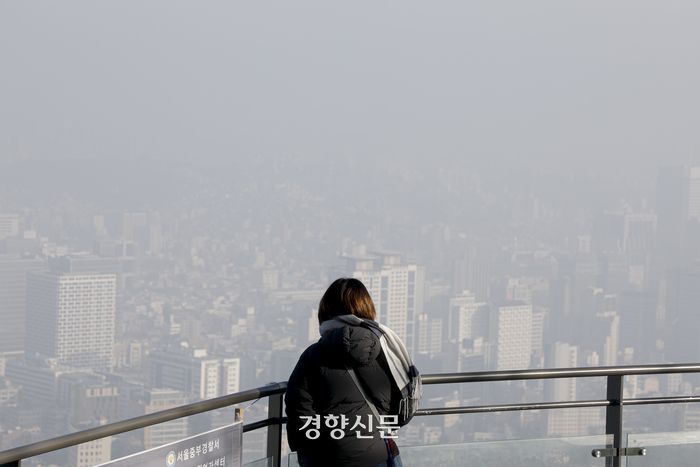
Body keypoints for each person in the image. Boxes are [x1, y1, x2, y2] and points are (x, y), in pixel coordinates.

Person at [285, 278, 407, 467]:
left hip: (330, 458)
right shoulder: (385, 352)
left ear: (325, 312)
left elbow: (299, 412)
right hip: (377, 456)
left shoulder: (312, 357)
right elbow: (398, 400)